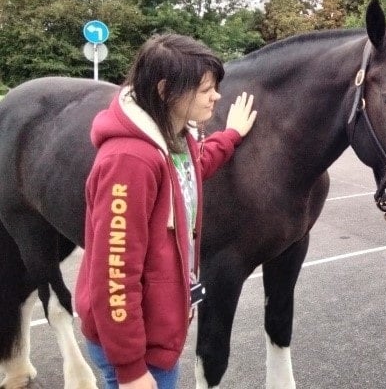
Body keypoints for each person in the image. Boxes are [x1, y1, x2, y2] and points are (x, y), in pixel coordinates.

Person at [75, 34, 258, 389]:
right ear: (165, 90)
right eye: (206, 90)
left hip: (155, 332)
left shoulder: (171, 138)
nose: (217, 97)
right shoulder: (129, 161)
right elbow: (114, 273)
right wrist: (130, 370)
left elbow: (192, 167)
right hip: (134, 350)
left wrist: (232, 134)